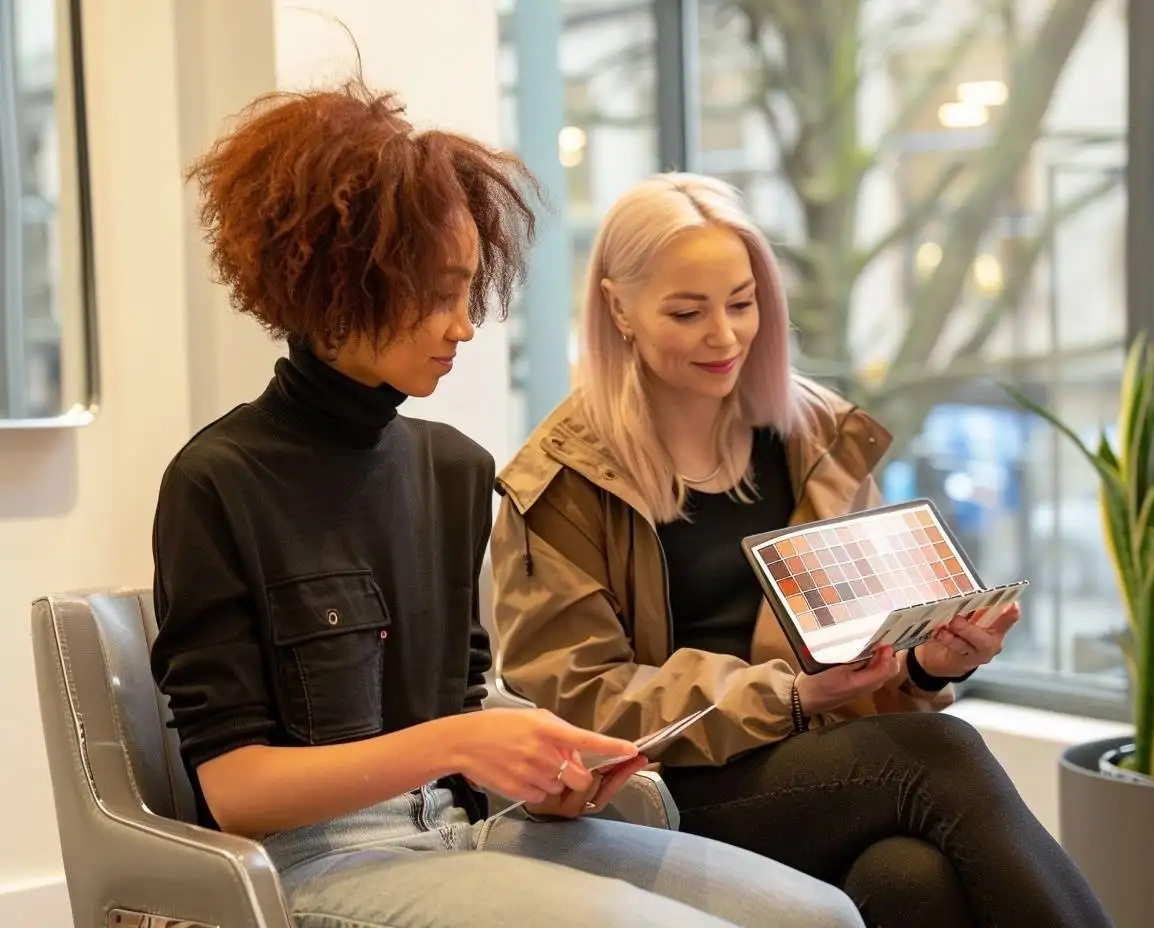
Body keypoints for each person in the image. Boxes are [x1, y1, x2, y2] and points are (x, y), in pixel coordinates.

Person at [149, 81, 864, 928]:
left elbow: (460, 724)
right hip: (315, 866)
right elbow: (234, 794)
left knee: (822, 918)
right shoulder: (219, 480)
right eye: (437, 295)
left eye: (469, 291)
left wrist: (542, 775)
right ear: (338, 285)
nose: (463, 325)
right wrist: (461, 742)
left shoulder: (451, 467)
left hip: (465, 834)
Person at [490, 173, 1114, 928]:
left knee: (910, 881)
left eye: (743, 303)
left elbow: (865, 644)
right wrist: (784, 695)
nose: (724, 336)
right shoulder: (561, 481)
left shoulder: (816, 436)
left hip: (825, 765)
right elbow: (576, 696)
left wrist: (922, 663)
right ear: (618, 307)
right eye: (687, 312)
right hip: (666, 786)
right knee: (939, 755)